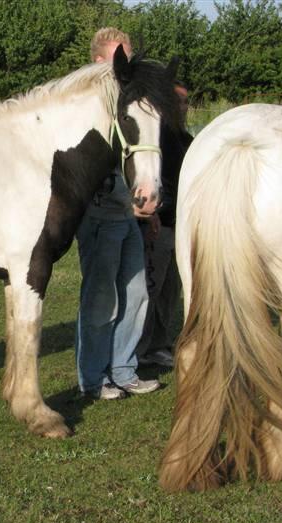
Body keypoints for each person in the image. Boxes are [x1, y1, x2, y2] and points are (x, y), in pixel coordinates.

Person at [75, 28, 161, 400]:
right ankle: (92, 379)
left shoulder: (126, 102)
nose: (125, 66)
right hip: (98, 216)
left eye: (128, 57)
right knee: (100, 298)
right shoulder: (83, 107)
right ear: (97, 63)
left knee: (137, 293)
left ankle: (124, 370)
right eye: (118, 58)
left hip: (127, 215)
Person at [137, 83, 194, 368]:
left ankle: (159, 344)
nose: (183, 107)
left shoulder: (187, 139)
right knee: (151, 287)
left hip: (181, 226)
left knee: (171, 288)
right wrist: (155, 215)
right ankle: (140, 347)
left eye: (186, 102)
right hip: (161, 223)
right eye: (179, 102)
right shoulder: (157, 139)